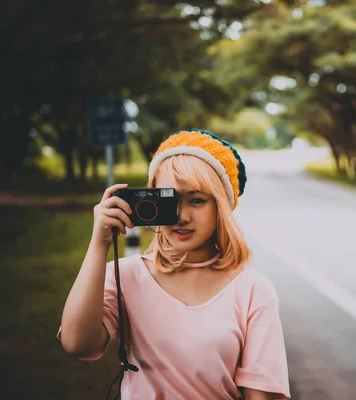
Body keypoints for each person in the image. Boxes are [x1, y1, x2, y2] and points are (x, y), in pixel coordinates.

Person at [57, 129, 290, 400]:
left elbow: (261, 394)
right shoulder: (125, 275)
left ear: (221, 207)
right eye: (169, 200)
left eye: (197, 200)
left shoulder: (252, 289)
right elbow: (77, 343)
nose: (181, 216)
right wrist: (99, 244)